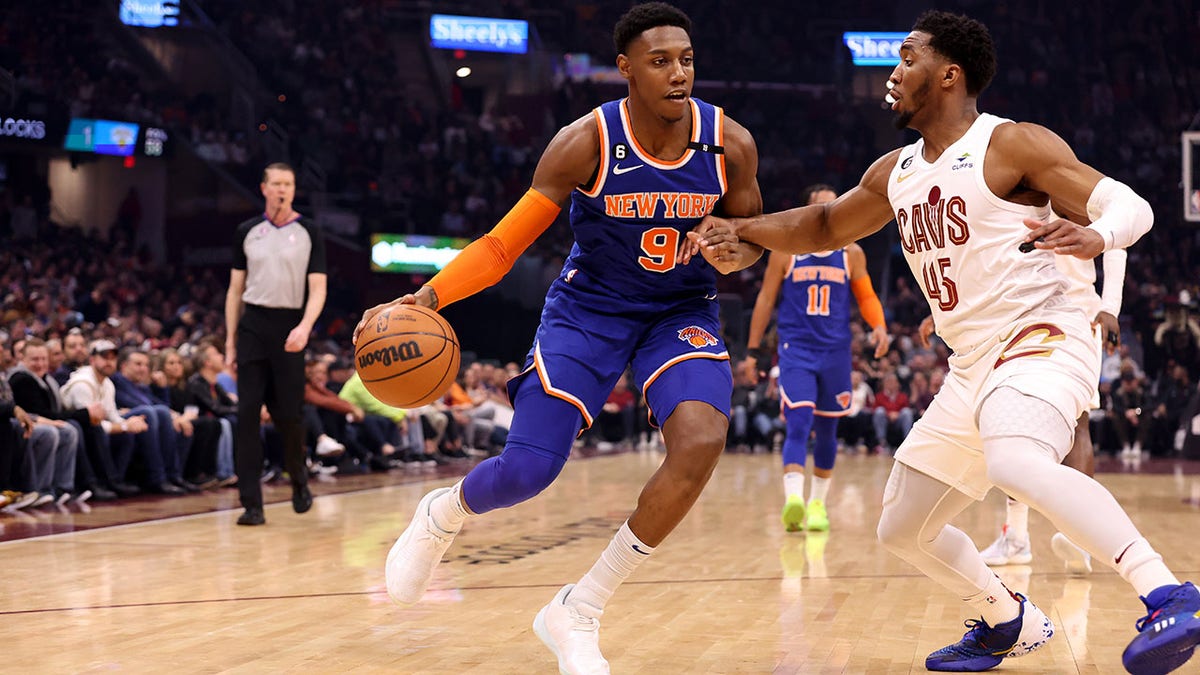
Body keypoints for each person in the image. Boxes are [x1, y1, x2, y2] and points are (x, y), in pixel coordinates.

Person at [693, 11, 1199, 674]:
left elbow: (1131, 205)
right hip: (972, 363)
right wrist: (749, 230)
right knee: (902, 523)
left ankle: (1169, 592)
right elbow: (821, 223)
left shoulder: (1009, 144)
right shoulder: (895, 172)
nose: (893, 74)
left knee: (1016, 460)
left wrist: (1099, 236)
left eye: (907, 59)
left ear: (949, 74)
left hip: (1043, 331)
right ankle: (1005, 618)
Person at [355, 4, 763, 672]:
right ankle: (443, 512)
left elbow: (750, 240)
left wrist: (729, 248)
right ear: (626, 69)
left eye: (686, 59)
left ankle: (578, 607)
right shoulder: (586, 141)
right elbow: (501, 245)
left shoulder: (731, 144)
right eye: (660, 61)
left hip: (678, 309)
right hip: (590, 309)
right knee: (529, 471)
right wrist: (428, 295)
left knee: (701, 443)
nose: (678, 73)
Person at [943, 242, 1128, 572]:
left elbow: (1118, 243)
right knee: (1011, 419)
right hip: (1022, 311)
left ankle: (1077, 538)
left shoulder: (1083, 193)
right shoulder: (1014, 192)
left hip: (1075, 313)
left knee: (1076, 422)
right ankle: (1017, 537)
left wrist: (1111, 306)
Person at [739, 184, 889, 532]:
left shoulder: (852, 253)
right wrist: (752, 350)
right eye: (819, 207)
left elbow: (866, 296)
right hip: (797, 350)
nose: (826, 213)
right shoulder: (786, 252)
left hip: (835, 353)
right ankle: (793, 499)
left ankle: (818, 505)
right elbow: (764, 300)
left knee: (827, 431)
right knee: (799, 422)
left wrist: (879, 325)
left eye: (832, 206)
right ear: (806, 214)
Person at [224, 162, 327, 525]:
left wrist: (305, 327)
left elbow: (318, 288)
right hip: (253, 325)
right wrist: (230, 343)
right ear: (264, 188)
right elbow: (235, 290)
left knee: (289, 417)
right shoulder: (247, 231)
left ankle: (298, 479)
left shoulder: (309, 231)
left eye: (289, 183)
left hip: (290, 327)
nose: (283, 189)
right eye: (277, 183)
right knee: (247, 415)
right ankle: (251, 504)